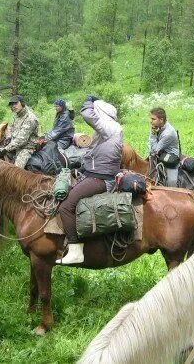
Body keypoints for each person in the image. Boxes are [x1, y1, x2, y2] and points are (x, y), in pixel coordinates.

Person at [56, 96, 123, 265]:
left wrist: (88, 102)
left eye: (96, 112)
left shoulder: (110, 127)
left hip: (100, 178)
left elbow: (87, 115)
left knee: (66, 206)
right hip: (96, 173)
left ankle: (75, 249)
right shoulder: (108, 130)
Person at [0, 95, 39, 168]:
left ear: (22, 103)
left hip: (26, 148)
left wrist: (6, 149)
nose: (13, 106)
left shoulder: (30, 118)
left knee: (16, 169)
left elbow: (22, 139)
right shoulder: (16, 115)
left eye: (16, 103)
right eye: (12, 104)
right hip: (14, 145)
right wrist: (9, 136)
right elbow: (10, 127)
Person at [148, 107, 180, 187]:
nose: (151, 121)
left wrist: (152, 134)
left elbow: (154, 150)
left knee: (171, 182)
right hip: (160, 154)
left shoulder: (168, 133)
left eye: (153, 119)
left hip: (170, 157)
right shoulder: (159, 127)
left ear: (161, 120)